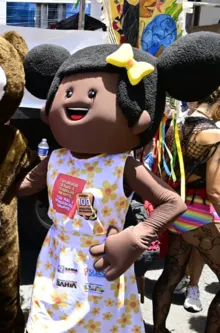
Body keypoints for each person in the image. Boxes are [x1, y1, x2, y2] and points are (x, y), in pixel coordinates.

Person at [18, 31, 219, 332]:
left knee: (100, 324)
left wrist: (137, 236)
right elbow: (22, 186)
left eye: (93, 94)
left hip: (103, 262)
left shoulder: (121, 165)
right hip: (57, 256)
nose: (78, 101)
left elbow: (172, 202)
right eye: (68, 93)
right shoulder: (57, 158)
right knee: (50, 321)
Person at [152, 86, 220, 332]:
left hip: (174, 211)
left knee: (170, 276)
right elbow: (214, 191)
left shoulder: (173, 126)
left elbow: (163, 171)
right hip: (198, 214)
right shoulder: (213, 134)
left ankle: (158, 329)